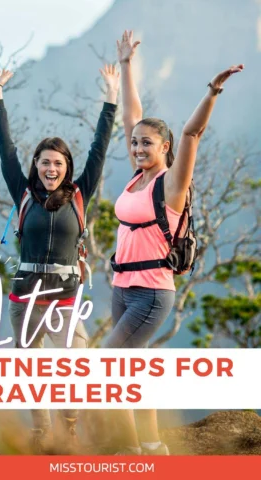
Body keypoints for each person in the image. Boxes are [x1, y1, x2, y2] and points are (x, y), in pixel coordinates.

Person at [105, 30, 244, 455]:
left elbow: (191, 135)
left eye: (147, 143)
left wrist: (213, 92)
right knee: (131, 368)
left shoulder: (170, 186)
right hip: (122, 289)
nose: (137, 147)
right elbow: (133, 115)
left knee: (108, 366)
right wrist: (127, 64)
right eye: (134, 143)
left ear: (164, 148)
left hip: (151, 293)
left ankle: (128, 451)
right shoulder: (135, 177)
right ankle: (152, 446)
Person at [0, 65, 119, 453]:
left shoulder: (80, 195)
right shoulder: (24, 193)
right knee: (30, 372)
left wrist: (111, 96)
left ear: (67, 170)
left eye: (58, 164)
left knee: (75, 369)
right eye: (45, 162)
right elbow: (5, 147)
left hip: (64, 300)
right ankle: (41, 432)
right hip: (24, 300)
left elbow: (100, 145)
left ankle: (70, 425)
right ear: (36, 166)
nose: (50, 168)